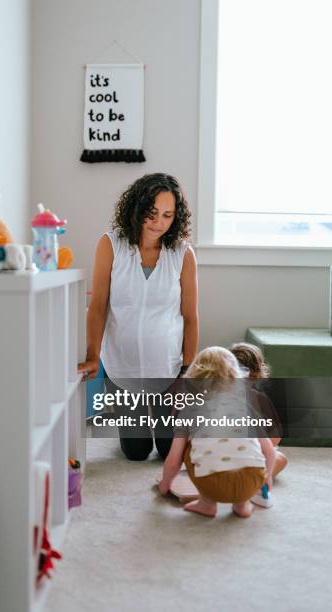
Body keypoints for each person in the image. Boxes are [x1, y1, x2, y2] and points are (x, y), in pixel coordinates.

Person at [78, 173, 198, 461]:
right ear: (137, 208)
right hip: (123, 367)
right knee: (136, 452)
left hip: (167, 369)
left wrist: (187, 370)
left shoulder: (182, 254)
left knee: (170, 452)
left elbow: (190, 316)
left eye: (168, 215)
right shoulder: (111, 245)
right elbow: (98, 306)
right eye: (152, 213)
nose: (159, 223)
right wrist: (93, 356)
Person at [158, 347, 276, 518]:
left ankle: (206, 504)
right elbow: (269, 452)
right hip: (251, 482)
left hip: (212, 486)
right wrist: (268, 477)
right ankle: (242, 505)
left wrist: (165, 484)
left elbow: (173, 461)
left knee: (187, 445)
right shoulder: (245, 407)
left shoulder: (189, 409)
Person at [229, 342, 288, 477]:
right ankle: (256, 480)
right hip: (251, 455)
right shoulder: (259, 399)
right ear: (258, 373)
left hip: (222, 456)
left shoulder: (213, 396)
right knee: (280, 458)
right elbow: (276, 436)